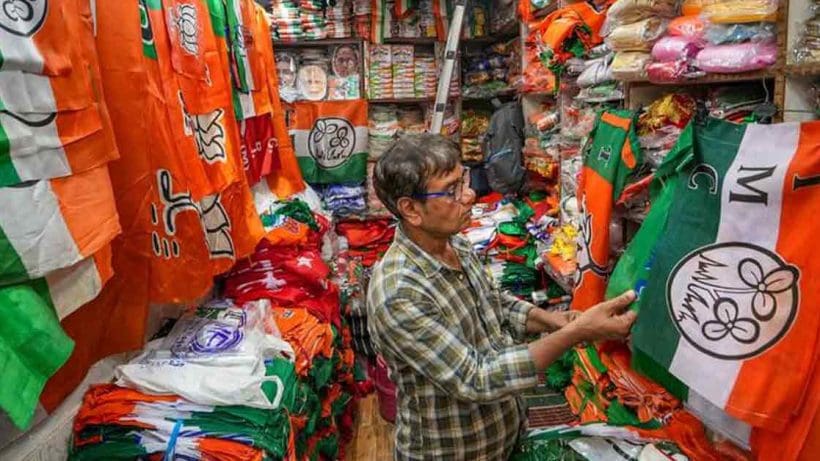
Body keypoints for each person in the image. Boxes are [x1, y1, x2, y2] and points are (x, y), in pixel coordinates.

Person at [367, 133, 638, 460]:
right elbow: (477, 378)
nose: (469, 195)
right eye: (452, 189)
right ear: (410, 209)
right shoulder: (399, 292)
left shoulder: (454, 244)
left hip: (501, 437)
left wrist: (553, 320)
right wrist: (574, 333)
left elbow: (493, 301)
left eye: (463, 179)